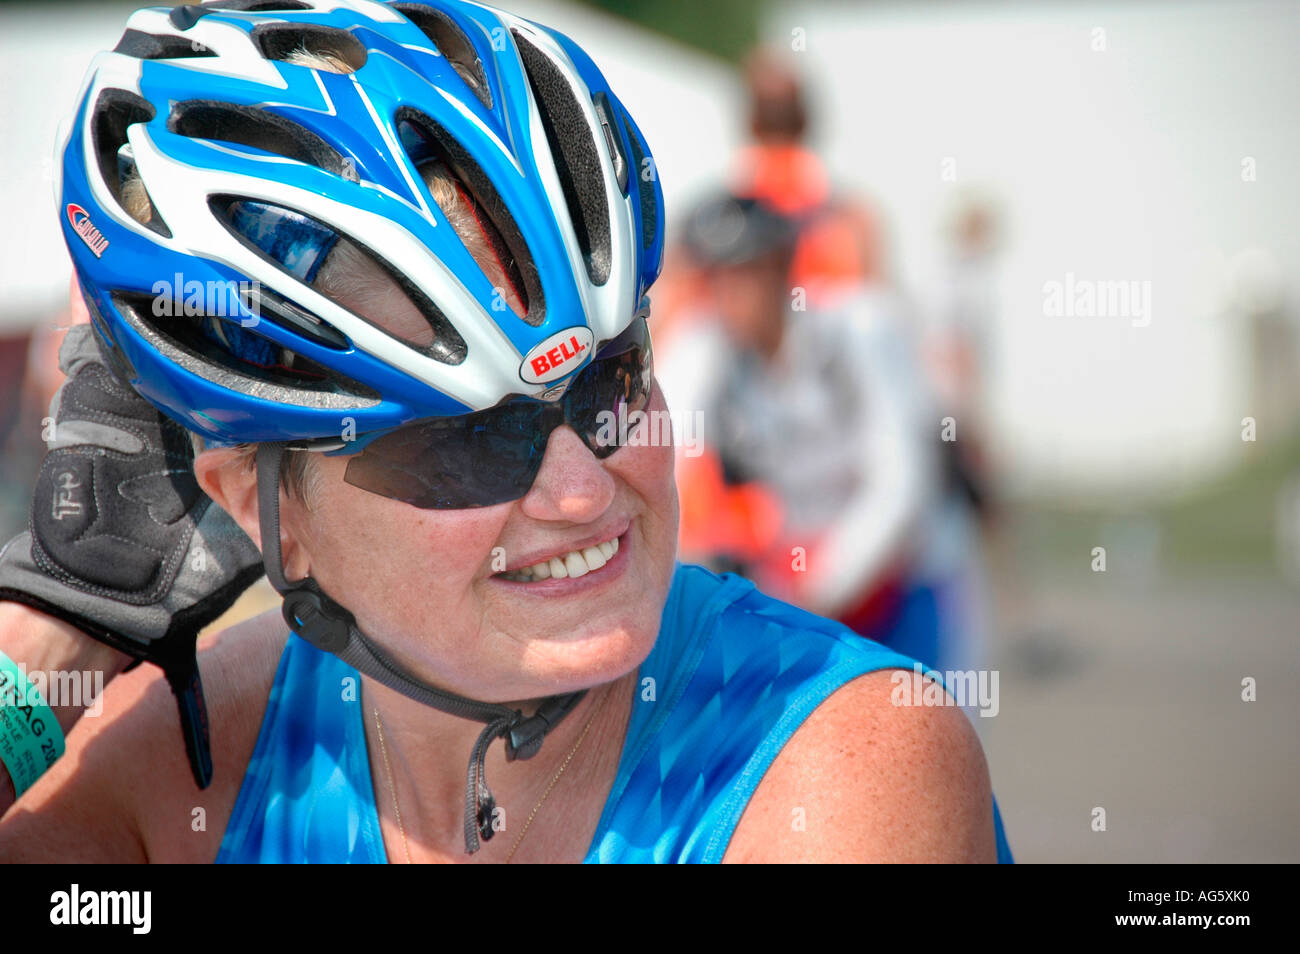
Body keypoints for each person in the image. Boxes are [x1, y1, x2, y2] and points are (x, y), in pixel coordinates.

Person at [0, 0, 1010, 863]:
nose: (581, 490)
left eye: (607, 386)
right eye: (464, 444)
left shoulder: (842, 764)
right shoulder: (179, 761)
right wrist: (50, 635)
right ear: (262, 510)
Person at [664, 192, 992, 694]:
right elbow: (668, 464)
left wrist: (816, 588)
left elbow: (902, 482)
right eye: (715, 279)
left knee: (928, 745)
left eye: (744, 274)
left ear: (782, 268)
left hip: (905, 578)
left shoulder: (861, 326)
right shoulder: (708, 348)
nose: (727, 295)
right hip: (799, 580)